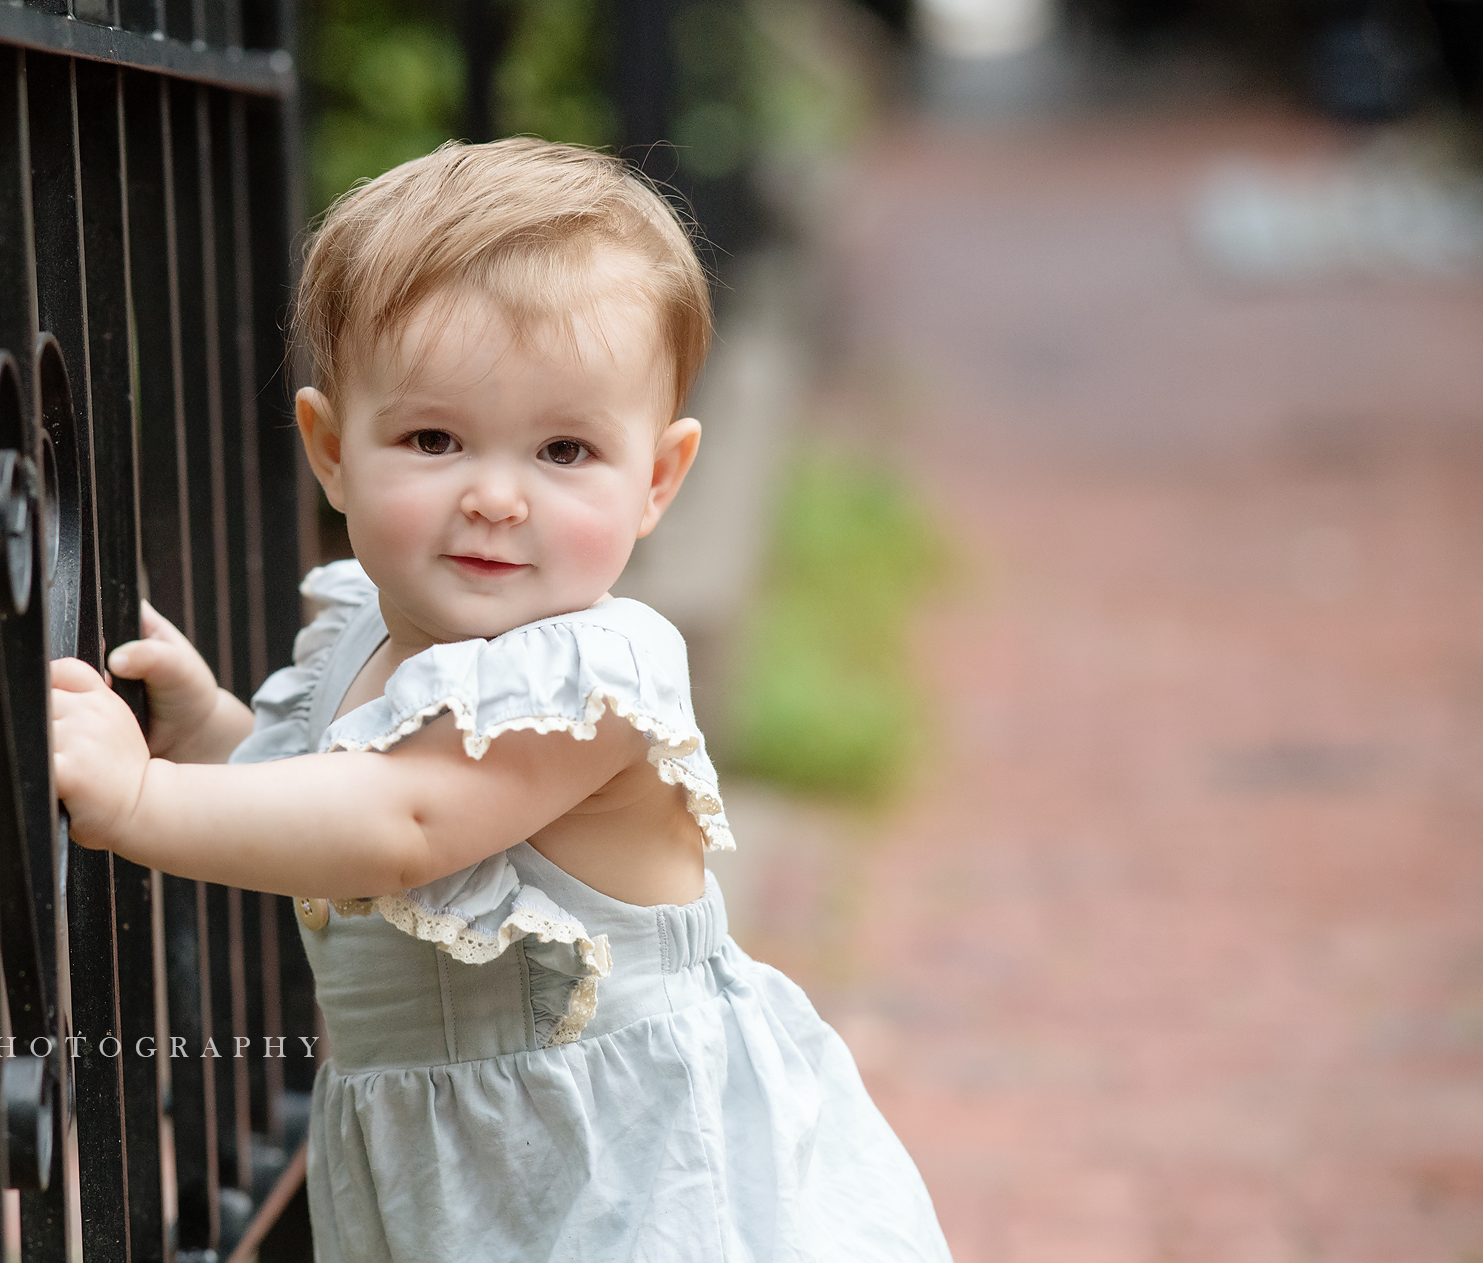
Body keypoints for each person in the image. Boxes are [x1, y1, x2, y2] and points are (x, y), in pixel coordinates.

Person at [50, 137, 952, 1260]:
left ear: (657, 480)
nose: (491, 496)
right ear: (331, 451)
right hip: (460, 1176)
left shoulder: (593, 682)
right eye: (432, 438)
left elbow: (403, 827)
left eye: (563, 450)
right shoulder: (360, 637)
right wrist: (211, 736)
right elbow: (327, 800)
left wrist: (138, 802)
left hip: (622, 1182)